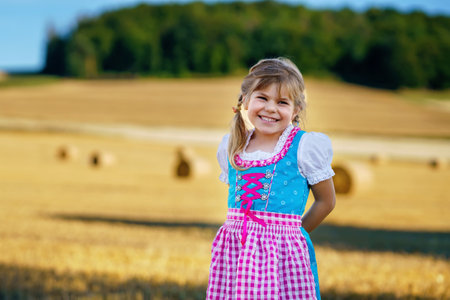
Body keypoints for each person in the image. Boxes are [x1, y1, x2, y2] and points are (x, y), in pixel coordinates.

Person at [206, 57, 336, 300]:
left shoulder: (304, 147)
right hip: (237, 253)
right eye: (262, 98)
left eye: (282, 102)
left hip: (283, 256)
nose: (271, 108)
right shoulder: (232, 145)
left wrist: (294, 234)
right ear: (245, 100)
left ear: (296, 109)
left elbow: (326, 201)